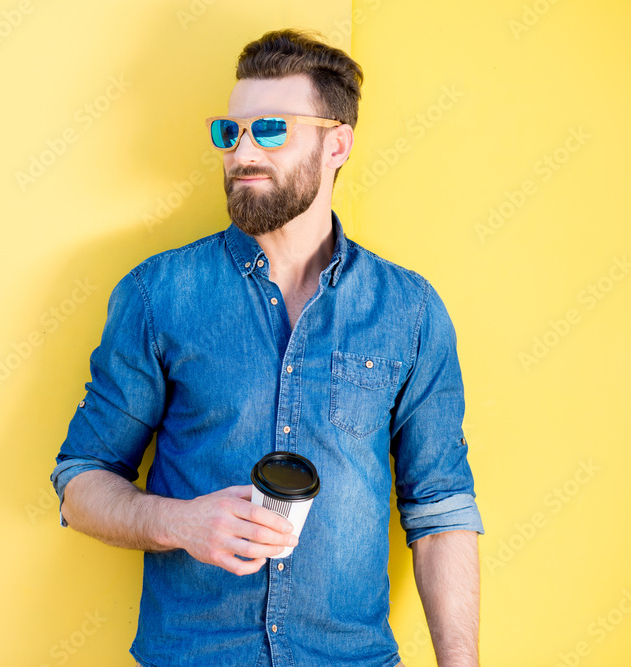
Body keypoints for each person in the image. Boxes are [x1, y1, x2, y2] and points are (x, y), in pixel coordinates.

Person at [50, 28, 483, 667]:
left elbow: (441, 506)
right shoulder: (158, 294)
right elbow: (79, 481)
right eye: (230, 133)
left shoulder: (410, 310)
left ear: (337, 143)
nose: (242, 152)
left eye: (271, 130)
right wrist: (181, 522)